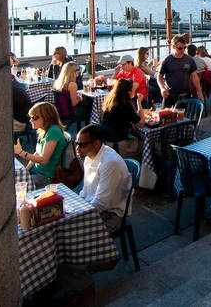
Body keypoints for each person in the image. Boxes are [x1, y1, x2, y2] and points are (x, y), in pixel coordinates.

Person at [58, 124, 132, 299]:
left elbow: (102, 203)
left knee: (68, 242)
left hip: (113, 215)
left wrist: (76, 216)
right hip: (94, 208)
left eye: (82, 144)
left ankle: (83, 286)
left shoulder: (110, 163)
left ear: (97, 143)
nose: (77, 148)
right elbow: (86, 190)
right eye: (76, 143)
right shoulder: (90, 156)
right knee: (60, 232)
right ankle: (76, 276)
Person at [13, 102, 67, 189]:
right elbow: (37, 153)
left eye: (34, 117)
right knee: (15, 179)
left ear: (46, 117)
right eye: (31, 117)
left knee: (14, 187)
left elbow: (43, 160)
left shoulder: (53, 131)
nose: (31, 120)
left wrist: (21, 152)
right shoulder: (44, 130)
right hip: (37, 172)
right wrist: (26, 171)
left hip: (46, 177)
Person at [101, 79, 144, 161]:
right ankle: (141, 170)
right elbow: (142, 124)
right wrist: (139, 103)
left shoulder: (110, 102)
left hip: (106, 143)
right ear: (128, 92)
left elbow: (120, 119)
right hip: (118, 144)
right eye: (132, 90)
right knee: (145, 145)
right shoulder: (125, 105)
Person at [158, 35, 203, 108]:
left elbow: (194, 76)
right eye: (180, 48)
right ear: (173, 47)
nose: (183, 50)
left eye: (184, 48)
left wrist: (199, 93)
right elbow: (159, 76)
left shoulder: (189, 59)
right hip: (171, 96)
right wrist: (162, 88)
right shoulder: (167, 60)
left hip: (186, 95)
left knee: (185, 118)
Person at [53, 61, 90, 126]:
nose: (79, 71)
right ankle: (87, 130)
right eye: (78, 69)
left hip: (61, 111)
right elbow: (73, 104)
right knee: (89, 109)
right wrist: (79, 98)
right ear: (72, 71)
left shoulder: (58, 82)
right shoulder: (72, 85)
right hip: (70, 112)